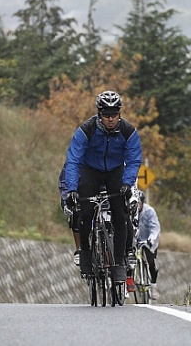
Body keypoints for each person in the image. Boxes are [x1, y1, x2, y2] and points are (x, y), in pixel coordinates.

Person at [59, 90, 142, 286]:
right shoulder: (86, 130)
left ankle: (119, 262)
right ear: (99, 114)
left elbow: (133, 160)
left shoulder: (128, 132)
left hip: (115, 171)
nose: (111, 119)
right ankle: (86, 252)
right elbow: (73, 161)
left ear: (120, 114)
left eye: (114, 114)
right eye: (106, 114)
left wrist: (127, 184)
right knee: (85, 212)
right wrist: (72, 189)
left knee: (120, 215)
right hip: (91, 170)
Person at [136, 190, 161, 300]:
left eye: (138, 203)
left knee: (151, 262)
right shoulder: (130, 211)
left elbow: (154, 227)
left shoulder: (149, 211)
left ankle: (153, 285)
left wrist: (151, 239)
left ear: (142, 202)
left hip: (148, 240)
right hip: (135, 240)